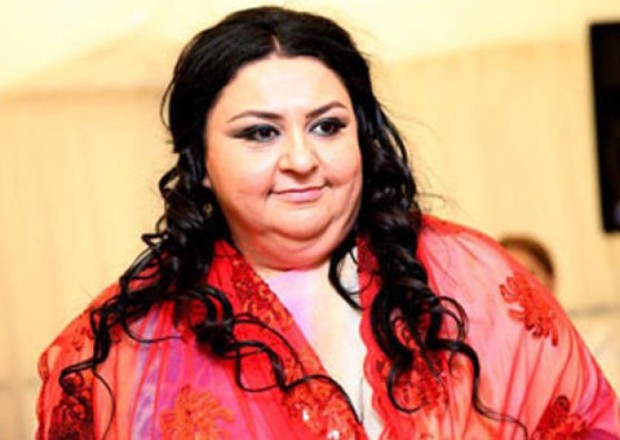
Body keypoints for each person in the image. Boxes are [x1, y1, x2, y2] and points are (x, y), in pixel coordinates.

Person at [36, 6, 620, 439]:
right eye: (260, 132)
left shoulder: (475, 281)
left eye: (327, 126)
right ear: (199, 162)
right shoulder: (123, 348)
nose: (301, 158)